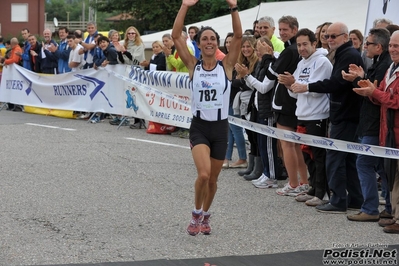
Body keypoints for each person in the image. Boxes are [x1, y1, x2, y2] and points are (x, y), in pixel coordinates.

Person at [171, 0, 242, 236]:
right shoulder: (193, 66)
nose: (209, 42)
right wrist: (184, 6)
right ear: (199, 44)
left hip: (220, 129)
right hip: (200, 127)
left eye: (213, 39)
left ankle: (206, 215)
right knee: (202, 175)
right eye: (205, 39)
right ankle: (195, 213)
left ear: (218, 43)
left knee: (212, 180)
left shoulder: (227, 66)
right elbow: (176, 36)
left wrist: (233, 7)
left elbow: (240, 37)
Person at [292, 22, 364, 213]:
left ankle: (339, 200)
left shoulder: (348, 55)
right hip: (342, 113)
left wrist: (307, 87)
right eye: (327, 36)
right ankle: (356, 198)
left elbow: (336, 83)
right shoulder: (341, 54)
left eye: (334, 36)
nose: (330, 40)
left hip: (344, 113)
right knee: (346, 159)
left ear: (345, 37)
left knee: (333, 157)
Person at [342, 27, 392, 222]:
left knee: (364, 163)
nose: (365, 46)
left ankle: (371, 208)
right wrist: (360, 78)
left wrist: (360, 80)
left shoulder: (384, 64)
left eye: (368, 43)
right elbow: (371, 87)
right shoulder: (380, 62)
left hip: (375, 123)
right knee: (380, 165)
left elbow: (375, 93)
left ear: (378, 46)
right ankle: (387, 206)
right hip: (371, 122)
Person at [279, 28, 332, 205]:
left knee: (318, 155)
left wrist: (295, 84)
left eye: (305, 44)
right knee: (307, 155)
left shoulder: (322, 62)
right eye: (299, 45)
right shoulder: (301, 63)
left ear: (314, 43)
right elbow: (297, 93)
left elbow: (317, 90)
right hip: (302, 114)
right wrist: (289, 86)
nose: (301, 48)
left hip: (317, 115)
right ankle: (314, 188)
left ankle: (323, 193)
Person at [354, 30, 399, 233]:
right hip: (385, 129)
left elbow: (394, 101)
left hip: (391, 130)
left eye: (396, 46)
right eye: (392, 45)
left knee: (389, 172)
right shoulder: (390, 67)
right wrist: (369, 91)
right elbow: (381, 95)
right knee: (390, 173)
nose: (393, 49)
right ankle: (393, 213)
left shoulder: (388, 66)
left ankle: (383, 211)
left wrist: (374, 92)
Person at [223, 36, 256, 169]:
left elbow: (240, 82)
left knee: (236, 129)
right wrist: (237, 80)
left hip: (242, 101)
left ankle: (243, 158)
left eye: (248, 46)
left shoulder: (253, 62)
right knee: (230, 129)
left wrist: (238, 80)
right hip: (231, 98)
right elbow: (234, 80)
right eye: (227, 42)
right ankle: (227, 157)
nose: (245, 49)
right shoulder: (238, 60)